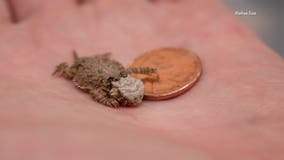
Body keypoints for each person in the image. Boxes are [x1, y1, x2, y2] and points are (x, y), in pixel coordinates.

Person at [0, 0, 283, 159]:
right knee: (70, 68)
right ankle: (65, 66)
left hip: (106, 64)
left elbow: (141, 73)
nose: (136, 100)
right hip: (90, 67)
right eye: (131, 97)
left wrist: (150, 73)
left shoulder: (127, 74)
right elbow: (100, 95)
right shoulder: (105, 89)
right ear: (120, 91)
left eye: (136, 95)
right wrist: (109, 96)